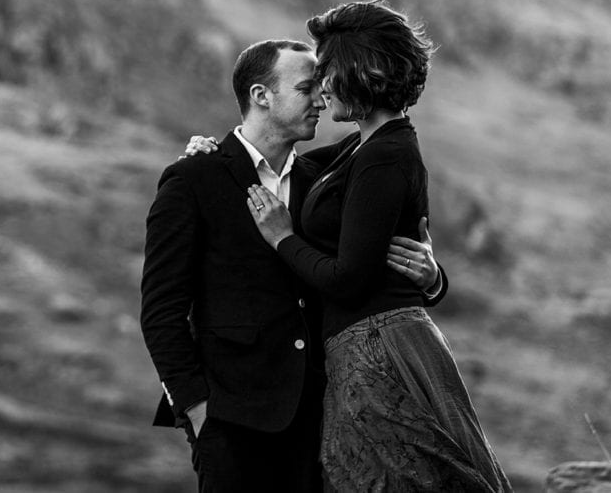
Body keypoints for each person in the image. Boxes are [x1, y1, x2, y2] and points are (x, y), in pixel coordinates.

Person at [140, 39, 446, 493]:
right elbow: (160, 312)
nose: (322, 99)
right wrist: (198, 411)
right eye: (307, 88)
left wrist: (433, 279)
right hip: (231, 419)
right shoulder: (193, 179)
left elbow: (364, 264)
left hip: (321, 418)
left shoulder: (322, 181)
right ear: (262, 96)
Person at [246, 0, 511, 491]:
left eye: (328, 72)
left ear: (363, 70)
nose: (322, 88)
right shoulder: (359, 147)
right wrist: (216, 153)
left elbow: (349, 280)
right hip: (367, 345)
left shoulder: (385, 155)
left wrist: (282, 237)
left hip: (380, 351)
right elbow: (281, 163)